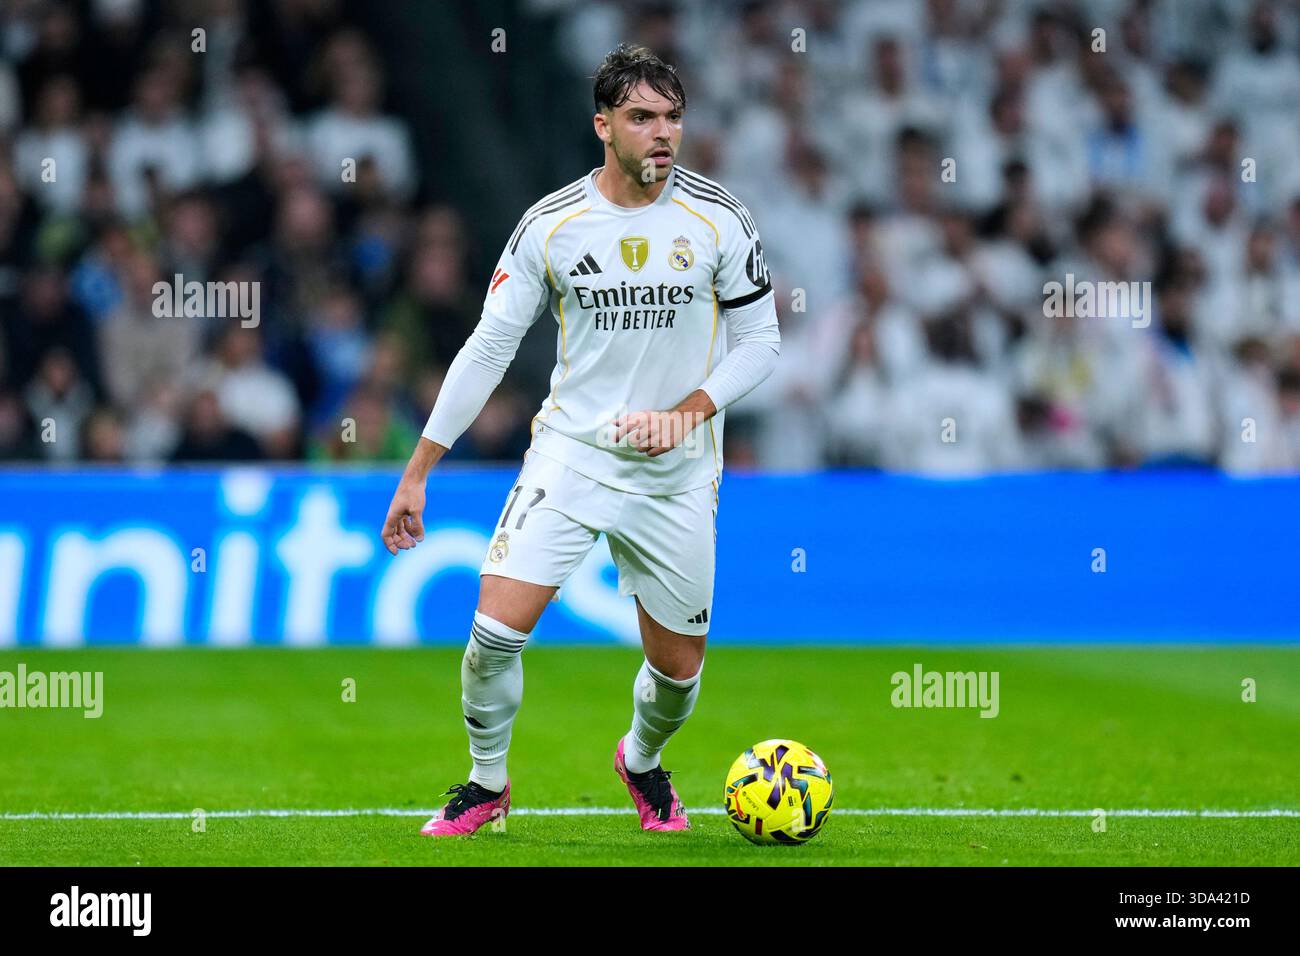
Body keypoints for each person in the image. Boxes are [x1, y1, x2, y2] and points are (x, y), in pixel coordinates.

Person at [379, 43, 780, 836]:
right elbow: (489, 347)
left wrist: (688, 412)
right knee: (493, 631)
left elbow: (762, 340)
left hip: (677, 471)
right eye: (641, 118)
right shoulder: (552, 226)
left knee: (677, 672)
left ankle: (639, 759)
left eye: (672, 118)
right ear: (603, 125)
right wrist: (420, 467)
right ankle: (486, 784)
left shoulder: (719, 219)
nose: (661, 134)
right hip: (573, 454)